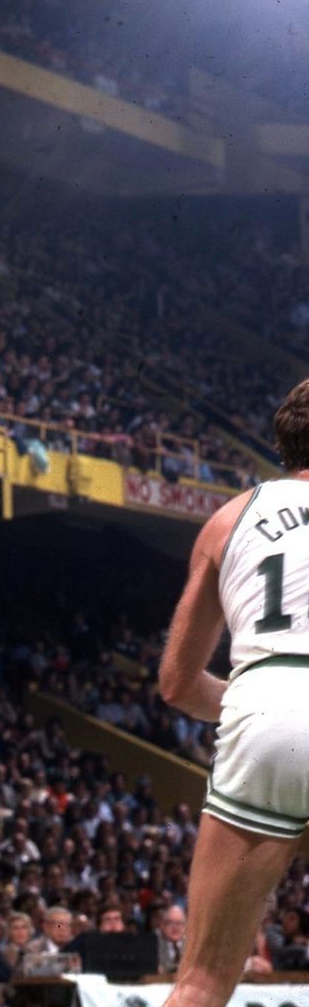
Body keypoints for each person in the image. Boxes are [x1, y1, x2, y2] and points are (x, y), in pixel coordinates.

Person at [158, 376, 309, 1007]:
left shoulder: (228, 518)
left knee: (201, 980)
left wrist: (262, 704)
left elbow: (177, 684)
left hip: (264, 700)